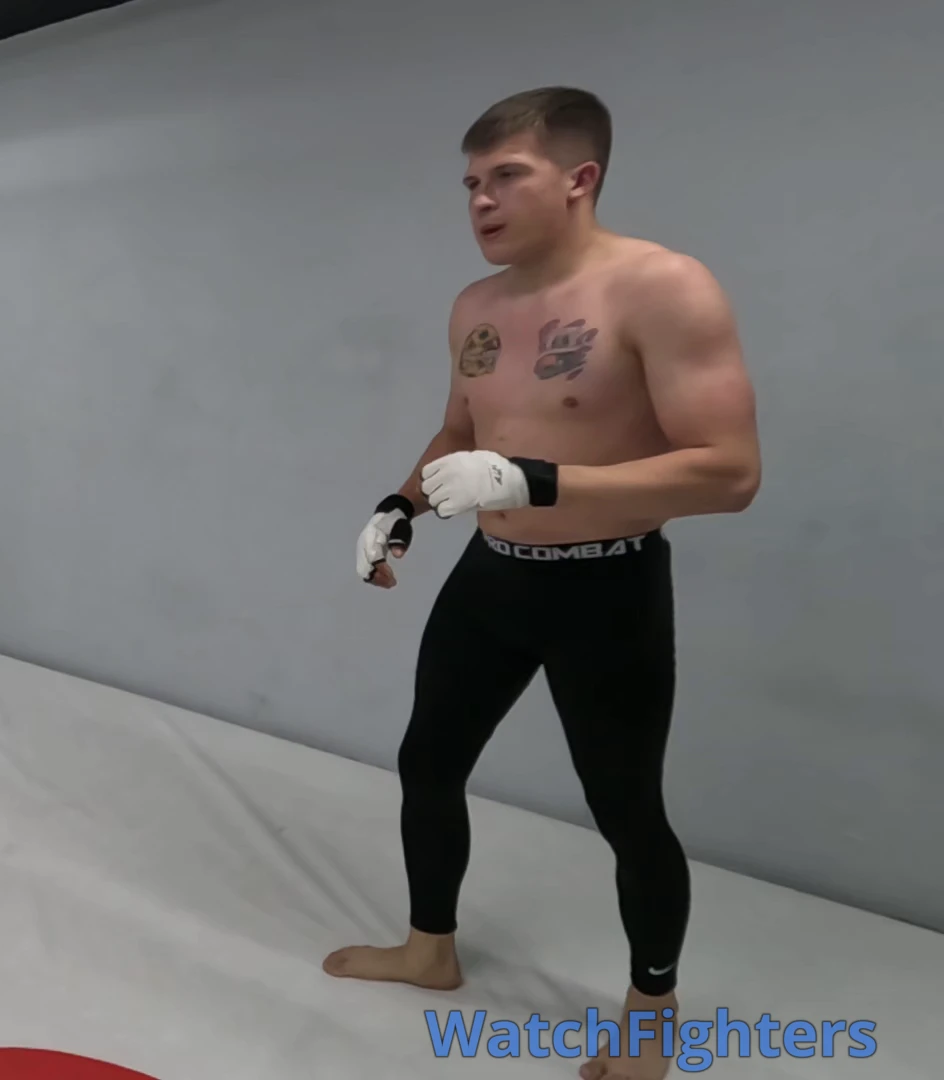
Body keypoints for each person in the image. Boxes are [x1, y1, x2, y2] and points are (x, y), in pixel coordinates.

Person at [324, 87, 760, 1080]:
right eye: (470, 183)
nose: (480, 200)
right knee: (428, 762)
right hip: (493, 579)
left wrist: (539, 480)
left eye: (506, 176)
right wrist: (399, 508)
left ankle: (651, 1014)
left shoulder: (663, 288)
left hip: (606, 591)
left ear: (579, 178)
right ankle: (430, 949)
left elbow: (731, 473)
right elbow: (461, 434)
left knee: (626, 809)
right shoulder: (475, 307)